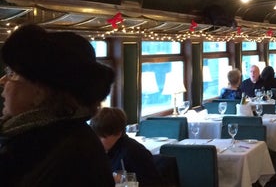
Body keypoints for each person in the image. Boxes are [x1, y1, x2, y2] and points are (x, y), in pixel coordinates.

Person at [0, 24, 115, 186]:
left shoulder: (71, 152)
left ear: (39, 92)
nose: (3, 82)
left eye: (12, 74)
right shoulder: (36, 137)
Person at [90, 108, 162, 186]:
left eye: (102, 137)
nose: (96, 141)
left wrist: (123, 180)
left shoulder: (135, 152)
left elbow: (154, 184)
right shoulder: (101, 151)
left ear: (118, 133)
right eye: (95, 136)